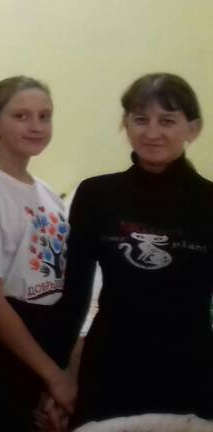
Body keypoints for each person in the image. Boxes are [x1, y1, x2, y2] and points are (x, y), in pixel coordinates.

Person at [59, 73, 213, 425]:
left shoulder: (209, 202)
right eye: (141, 119)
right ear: (125, 124)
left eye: (167, 121)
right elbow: (74, 295)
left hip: (190, 372)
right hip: (110, 369)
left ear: (193, 129)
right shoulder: (96, 195)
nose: (152, 132)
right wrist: (58, 374)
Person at [0, 77, 77, 431]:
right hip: (6, 349)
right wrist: (53, 376)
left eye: (44, 116)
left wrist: (60, 374)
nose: (36, 126)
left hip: (50, 344)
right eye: (21, 116)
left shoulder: (47, 193)